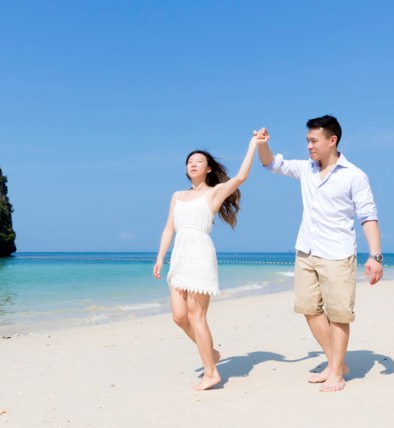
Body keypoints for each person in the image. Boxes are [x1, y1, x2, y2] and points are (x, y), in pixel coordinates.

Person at [254, 116, 382, 393]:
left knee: (338, 315)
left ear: (331, 140)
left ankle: (335, 371)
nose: (309, 146)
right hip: (306, 251)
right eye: (307, 141)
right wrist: (264, 144)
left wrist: (375, 256)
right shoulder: (306, 170)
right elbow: (271, 164)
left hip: (337, 253)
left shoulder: (354, 175)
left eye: (314, 141)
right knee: (310, 310)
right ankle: (336, 362)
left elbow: (368, 215)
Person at [153, 135, 261, 390]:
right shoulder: (177, 195)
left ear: (208, 168)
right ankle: (210, 352)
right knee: (180, 317)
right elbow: (169, 228)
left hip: (200, 255)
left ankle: (211, 372)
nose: (192, 164)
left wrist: (253, 145)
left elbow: (240, 178)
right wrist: (160, 257)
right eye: (189, 161)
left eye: (198, 161)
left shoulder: (214, 193)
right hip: (179, 256)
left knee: (197, 316)